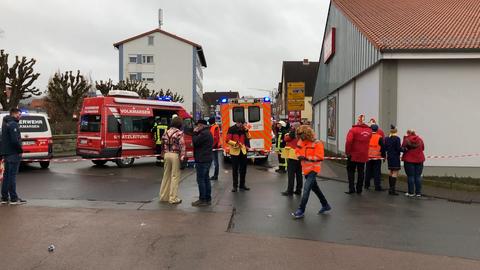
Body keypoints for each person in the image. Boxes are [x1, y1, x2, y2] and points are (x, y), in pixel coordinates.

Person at [291, 125, 331, 219]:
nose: (300, 137)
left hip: (314, 169)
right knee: (315, 188)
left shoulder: (317, 143)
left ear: (307, 134)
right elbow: (297, 151)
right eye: (299, 135)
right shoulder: (301, 141)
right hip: (305, 169)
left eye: (301, 135)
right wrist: (298, 156)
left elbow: (320, 157)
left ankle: (301, 210)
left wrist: (307, 158)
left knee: (306, 189)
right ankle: (325, 205)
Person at [1, 108, 26, 205]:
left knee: (6, 176)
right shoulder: (13, 124)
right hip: (13, 153)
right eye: (19, 114)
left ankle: (4, 198)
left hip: (7, 153)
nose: (20, 116)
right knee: (12, 176)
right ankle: (13, 199)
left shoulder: (5, 123)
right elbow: (15, 140)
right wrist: (20, 150)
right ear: (14, 114)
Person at [159, 117, 185, 204]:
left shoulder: (166, 132)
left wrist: (163, 154)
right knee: (175, 176)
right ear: (179, 124)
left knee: (166, 175)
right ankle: (173, 198)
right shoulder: (179, 133)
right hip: (175, 155)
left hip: (166, 154)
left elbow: (162, 144)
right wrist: (183, 157)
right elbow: (182, 145)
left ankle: (163, 196)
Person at [345, 114, 372, 195]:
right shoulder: (369, 131)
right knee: (361, 171)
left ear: (358, 121)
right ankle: (359, 189)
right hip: (363, 154)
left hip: (353, 154)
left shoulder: (353, 130)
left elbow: (349, 142)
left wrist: (347, 152)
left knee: (351, 171)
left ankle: (351, 188)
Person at [192, 120, 214, 207]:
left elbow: (195, 142)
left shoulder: (204, 134)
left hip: (202, 159)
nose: (197, 127)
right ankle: (207, 198)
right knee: (206, 179)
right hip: (207, 158)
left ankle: (203, 199)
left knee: (201, 180)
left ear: (201, 125)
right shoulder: (208, 132)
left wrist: (194, 133)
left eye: (198, 126)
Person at [227, 120, 251, 192]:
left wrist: (246, 131)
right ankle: (235, 186)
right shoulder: (231, 129)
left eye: (243, 124)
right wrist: (235, 144)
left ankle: (242, 185)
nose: (242, 125)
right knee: (235, 170)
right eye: (241, 123)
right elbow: (227, 140)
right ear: (237, 123)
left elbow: (249, 137)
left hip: (243, 151)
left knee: (243, 169)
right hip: (235, 152)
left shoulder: (244, 129)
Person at [402, 129, 425, 197]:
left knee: (410, 176)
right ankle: (418, 193)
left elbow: (402, 148)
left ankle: (411, 192)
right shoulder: (420, 140)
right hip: (419, 160)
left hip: (409, 160)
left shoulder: (406, 140)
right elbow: (423, 148)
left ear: (408, 133)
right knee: (418, 176)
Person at [281, 122, 303, 196]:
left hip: (292, 155)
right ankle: (298, 190)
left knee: (291, 174)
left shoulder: (293, 133)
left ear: (294, 127)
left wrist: (287, 134)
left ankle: (289, 191)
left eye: (292, 126)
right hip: (300, 155)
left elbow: (286, 139)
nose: (291, 127)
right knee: (299, 174)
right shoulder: (303, 134)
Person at [364, 124, 386, 191]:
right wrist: (383, 156)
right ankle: (377, 186)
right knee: (377, 172)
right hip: (377, 157)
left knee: (368, 171)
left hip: (368, 157)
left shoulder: (368, 136)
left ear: (371, 129)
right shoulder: (379, 137)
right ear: (377, 130)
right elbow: (383, 148)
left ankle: (366, 185)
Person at [384, 125, 402, 195]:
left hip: (389, 157)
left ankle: (390, 188)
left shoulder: (387, 138)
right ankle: (392, 189)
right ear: (396, 132)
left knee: (391, 171)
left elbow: (385, 148)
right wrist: (404, 149)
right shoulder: (397, 138)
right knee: (395, 172)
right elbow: (398, 148)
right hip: (395, 157)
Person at [208, 117, 220, 181]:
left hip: (213, 146)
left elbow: (215, 138)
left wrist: (212, 146)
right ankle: (215, 175)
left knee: (215, 162)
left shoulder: (215, 127)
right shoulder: (214, 126)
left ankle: (215, 176)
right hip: (213, 146)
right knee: (215, 162)